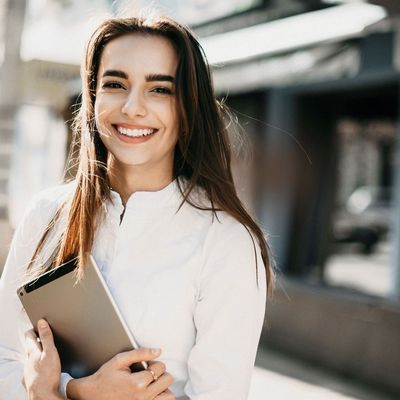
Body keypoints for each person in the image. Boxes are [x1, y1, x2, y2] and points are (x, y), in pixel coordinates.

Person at [0, 14, 274, 400]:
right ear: (93, 95)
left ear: (187, 107)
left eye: (159, 89)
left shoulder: (226, 242)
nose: (133, 107)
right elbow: (4, 359)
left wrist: (56, 390)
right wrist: (77, 391)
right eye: (115, 84)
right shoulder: (46, 215)